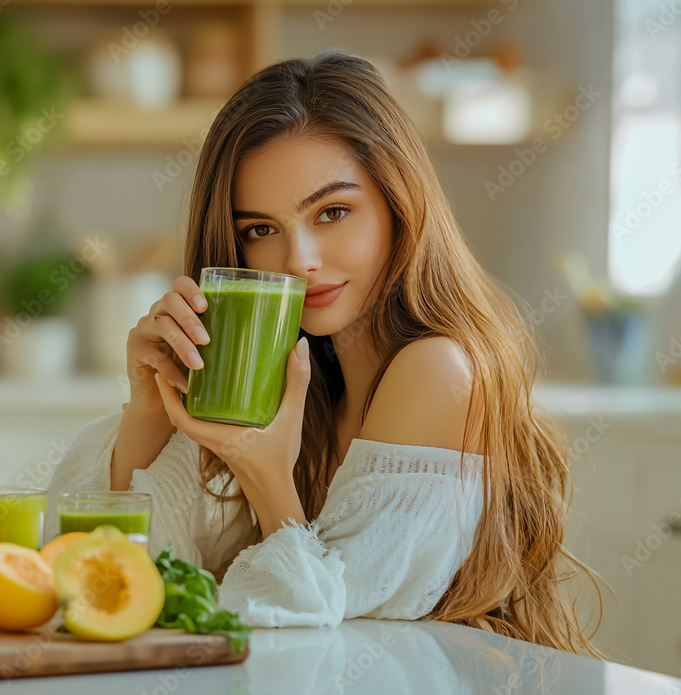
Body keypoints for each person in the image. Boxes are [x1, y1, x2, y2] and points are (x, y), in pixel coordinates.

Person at [48, 49, 603, 655]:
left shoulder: (435, 371)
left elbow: (314, 630)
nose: (299, 261)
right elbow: (102, 576)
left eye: (333, 212)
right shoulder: (299, 379)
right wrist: (148, 410)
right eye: (260, 229)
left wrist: (263, 472)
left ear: (399, 203)